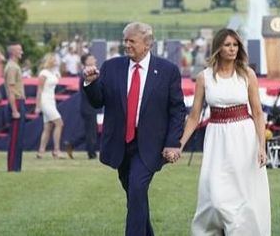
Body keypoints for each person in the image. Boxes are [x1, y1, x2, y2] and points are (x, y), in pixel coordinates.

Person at [82, 22, 186, 236]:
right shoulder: (111, 67)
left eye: (132, 41)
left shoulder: (168, 71)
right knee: (135, 196)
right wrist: (91, 83)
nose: (127, 45)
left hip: (150, 146)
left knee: (137, 189)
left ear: (148, 44)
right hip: (120, 145)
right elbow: (98, 101)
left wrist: (173, 143)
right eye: (125, 41)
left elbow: (177, 110)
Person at [178, 28, 271, 235]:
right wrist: (180, 144)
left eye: (235, 45)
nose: (232, 49)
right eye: (228, 45)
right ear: (218, 48)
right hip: (216, 139)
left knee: (244, 194)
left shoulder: (247, 74)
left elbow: (257, 113)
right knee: (216, 195)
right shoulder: (204, 77)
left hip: (244, 138)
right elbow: (194, 116)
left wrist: (261, 147)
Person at [35, 53, 64, 159]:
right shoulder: (44, 73)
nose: (56, 61)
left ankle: (41, 151)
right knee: (59, 123)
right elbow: (39, 90)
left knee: (48, 127)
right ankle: (56, 150)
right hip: (45, 101)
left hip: (52, 101)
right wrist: (37, 106)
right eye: (54, 59)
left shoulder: (54, 72)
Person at [4, 42, 26, 172]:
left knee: (19, 137)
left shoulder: (15, 66)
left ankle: (16, 166)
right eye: (19, 50)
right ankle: (12, 166)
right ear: (13, 52)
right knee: (15, 138)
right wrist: (14, 110)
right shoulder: (12, 67)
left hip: (19, 102)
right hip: (16, 102)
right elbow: (11, 89)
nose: (21, 52)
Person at [80, 53, 99, 159]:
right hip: (88, 106)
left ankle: (91, 151)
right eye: (91, 58)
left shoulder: (93, 72)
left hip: (91, 106)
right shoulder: (86, 73)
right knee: (90, 131)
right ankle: (91, 153)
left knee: (92, 130)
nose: (94, 59)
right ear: (86, 62)